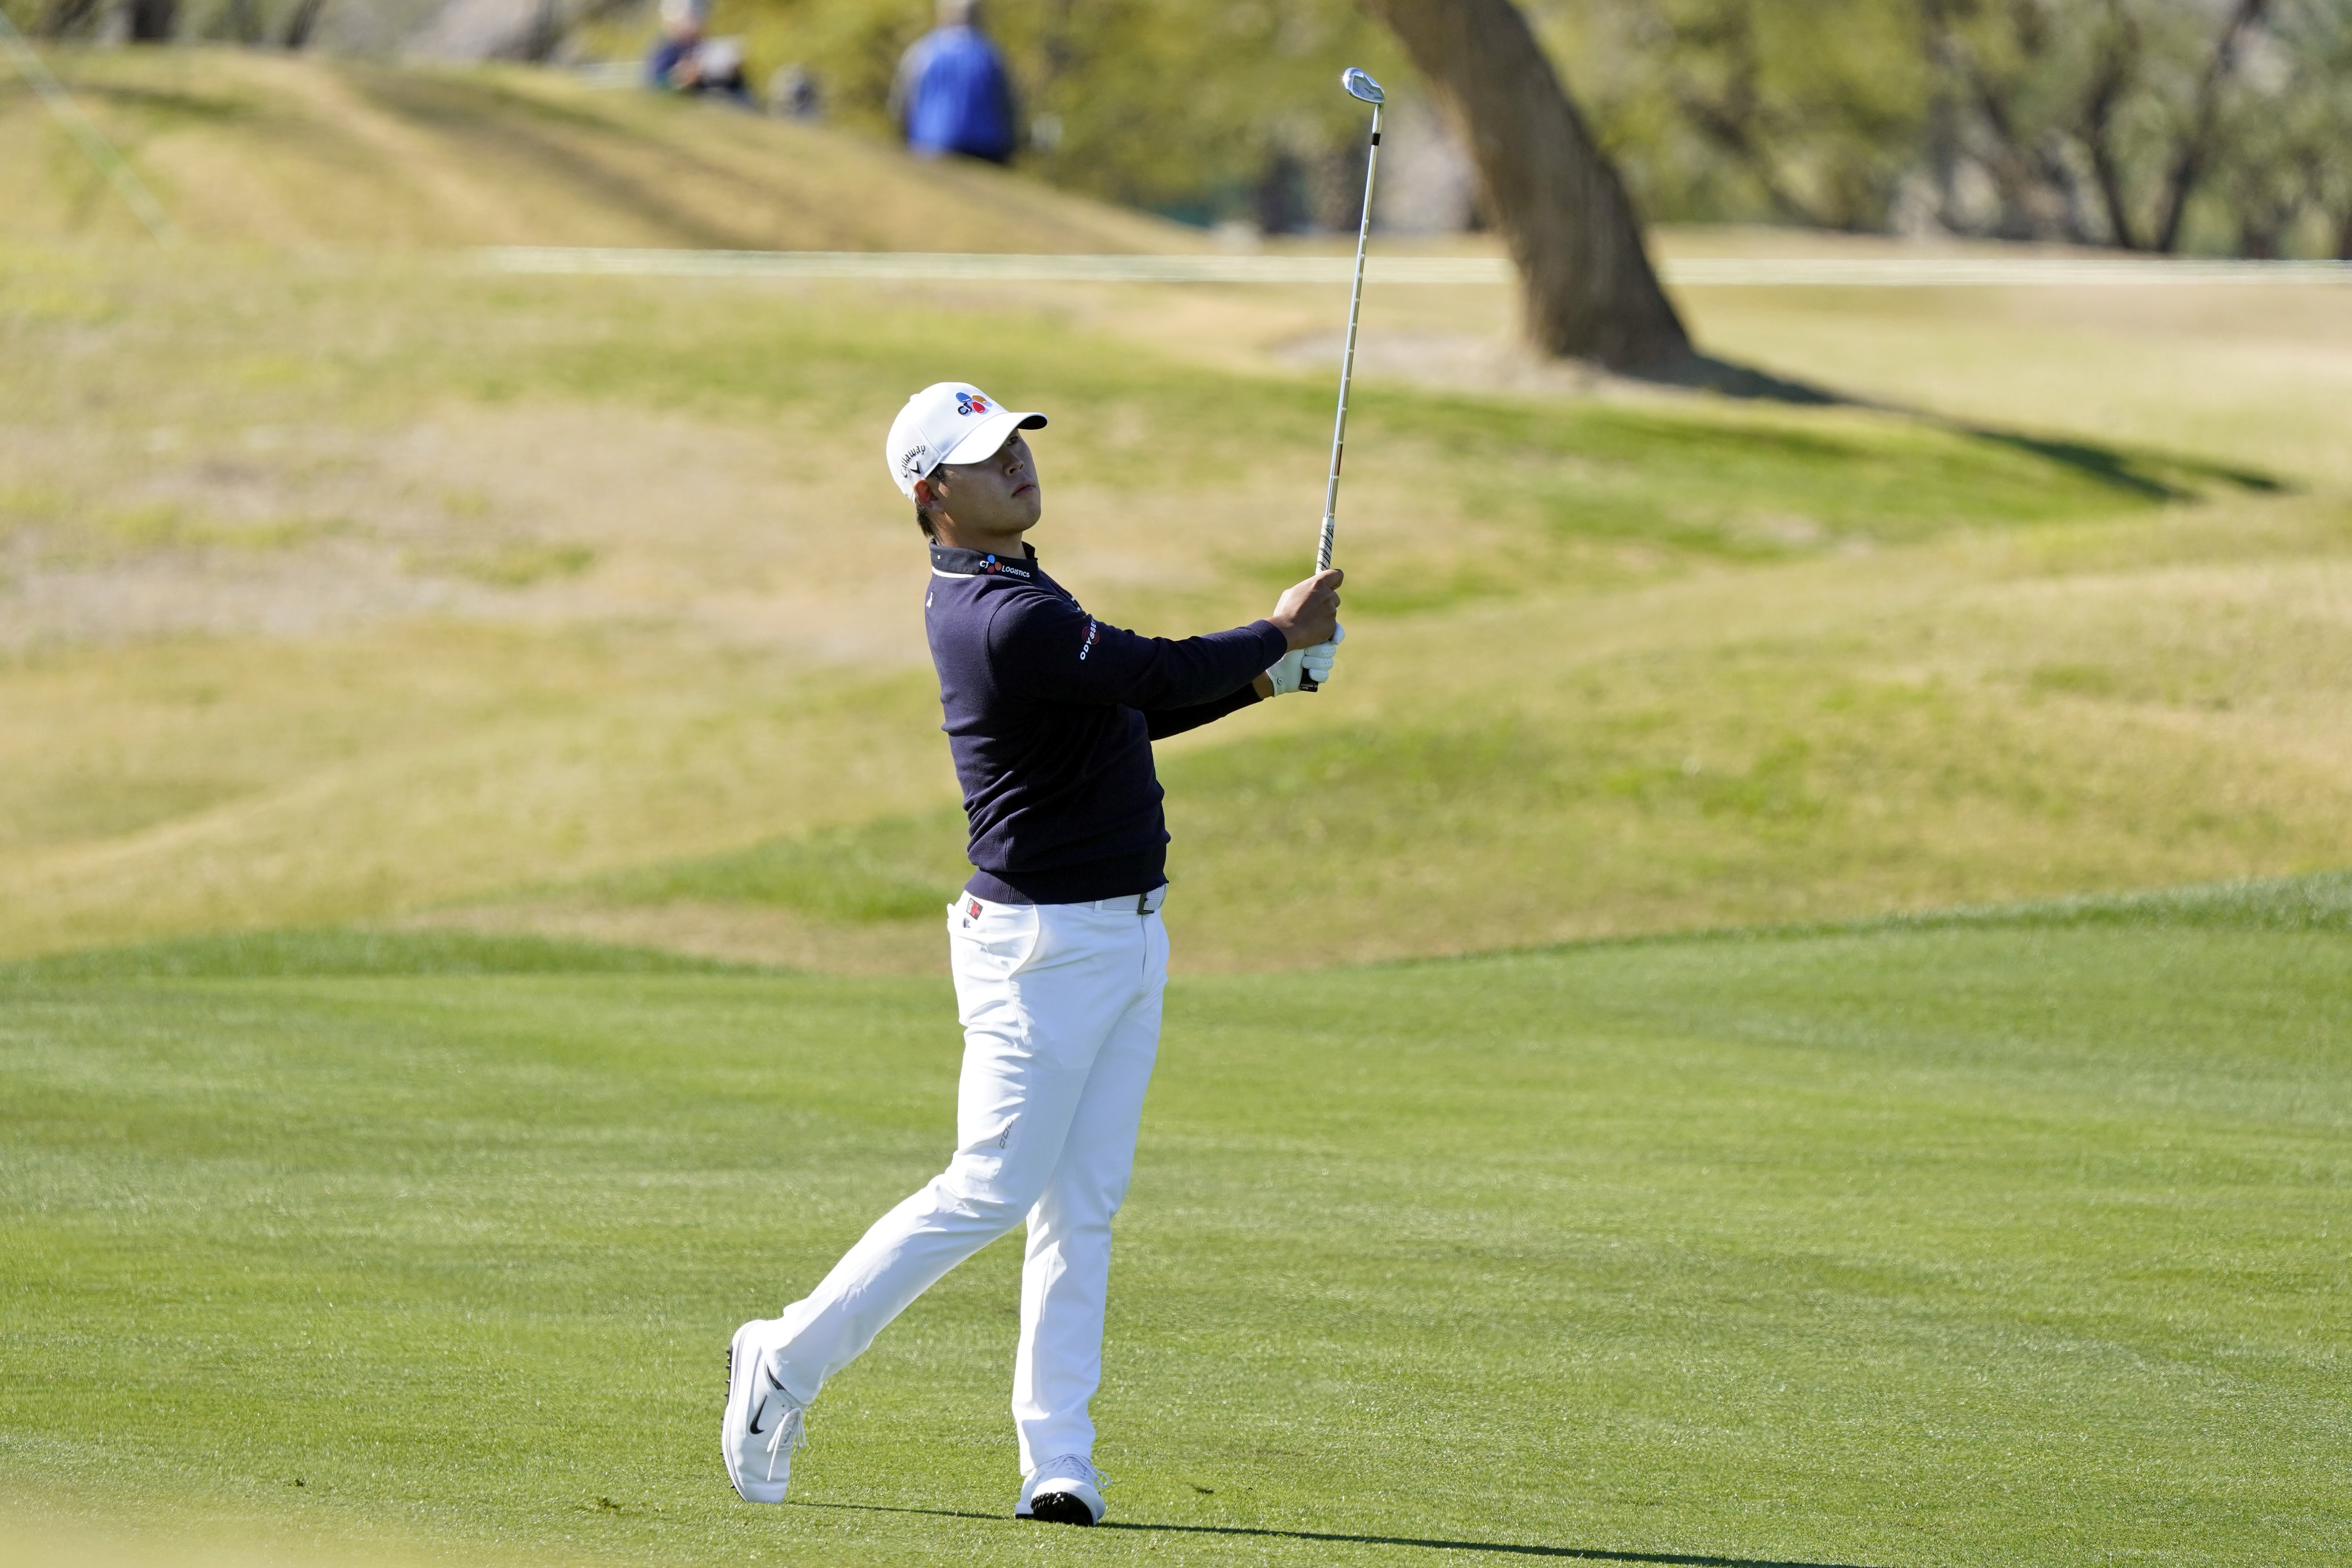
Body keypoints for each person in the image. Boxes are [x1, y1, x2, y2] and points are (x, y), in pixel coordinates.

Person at [721, 383, 1343, 1525]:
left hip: (1125, 933)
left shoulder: (1019, 589)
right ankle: (785, 1357)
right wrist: (1275, 632)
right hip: (1038, 951)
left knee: (1081, 1206)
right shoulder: (997, 612)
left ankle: (1058, 1460)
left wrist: (1262, 678)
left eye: (1014, 440)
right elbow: (1149, 670)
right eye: (981, 453)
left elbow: (1124, 710)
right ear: (931, 493)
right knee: (991, 1184)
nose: (1013, 460)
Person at [890, 0, 1018, 164]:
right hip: (987, 150)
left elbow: (902, 101)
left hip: (931, 143)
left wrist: (904, 136)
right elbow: (1008, 104)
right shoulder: (991, 55)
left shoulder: (923, 51)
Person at [643, 0, 749, 102]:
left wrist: (734, 72)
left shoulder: (709, 48)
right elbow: (653, 83)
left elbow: (739, 91)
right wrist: (682, 78)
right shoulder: (668, 51)